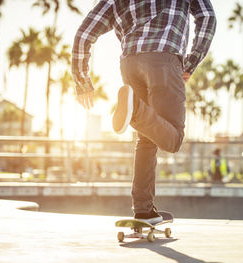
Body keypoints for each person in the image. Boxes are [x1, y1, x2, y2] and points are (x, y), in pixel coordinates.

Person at [72, 1, 216, 224]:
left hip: (130, 63)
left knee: (147, 139)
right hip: (164, 58)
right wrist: (192, 61)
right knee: (173, 139)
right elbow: (207, 16)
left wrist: (82, 81)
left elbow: (85, 32)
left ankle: (143, 209)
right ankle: (135, 110)